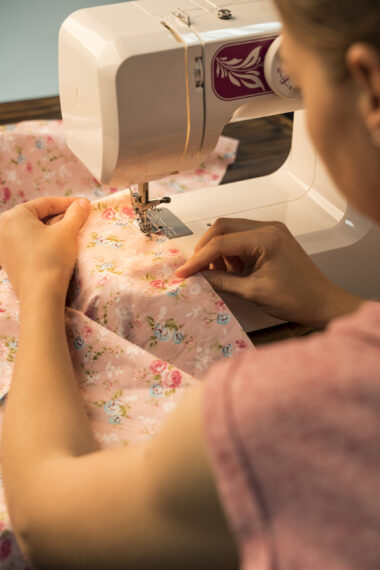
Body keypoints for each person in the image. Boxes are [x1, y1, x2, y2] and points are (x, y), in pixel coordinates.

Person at [1, 0, 380, 568]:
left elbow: (48, 519)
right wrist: (337, 305)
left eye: (296, 71)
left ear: (369, 87)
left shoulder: (288, 409)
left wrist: (38, 284)